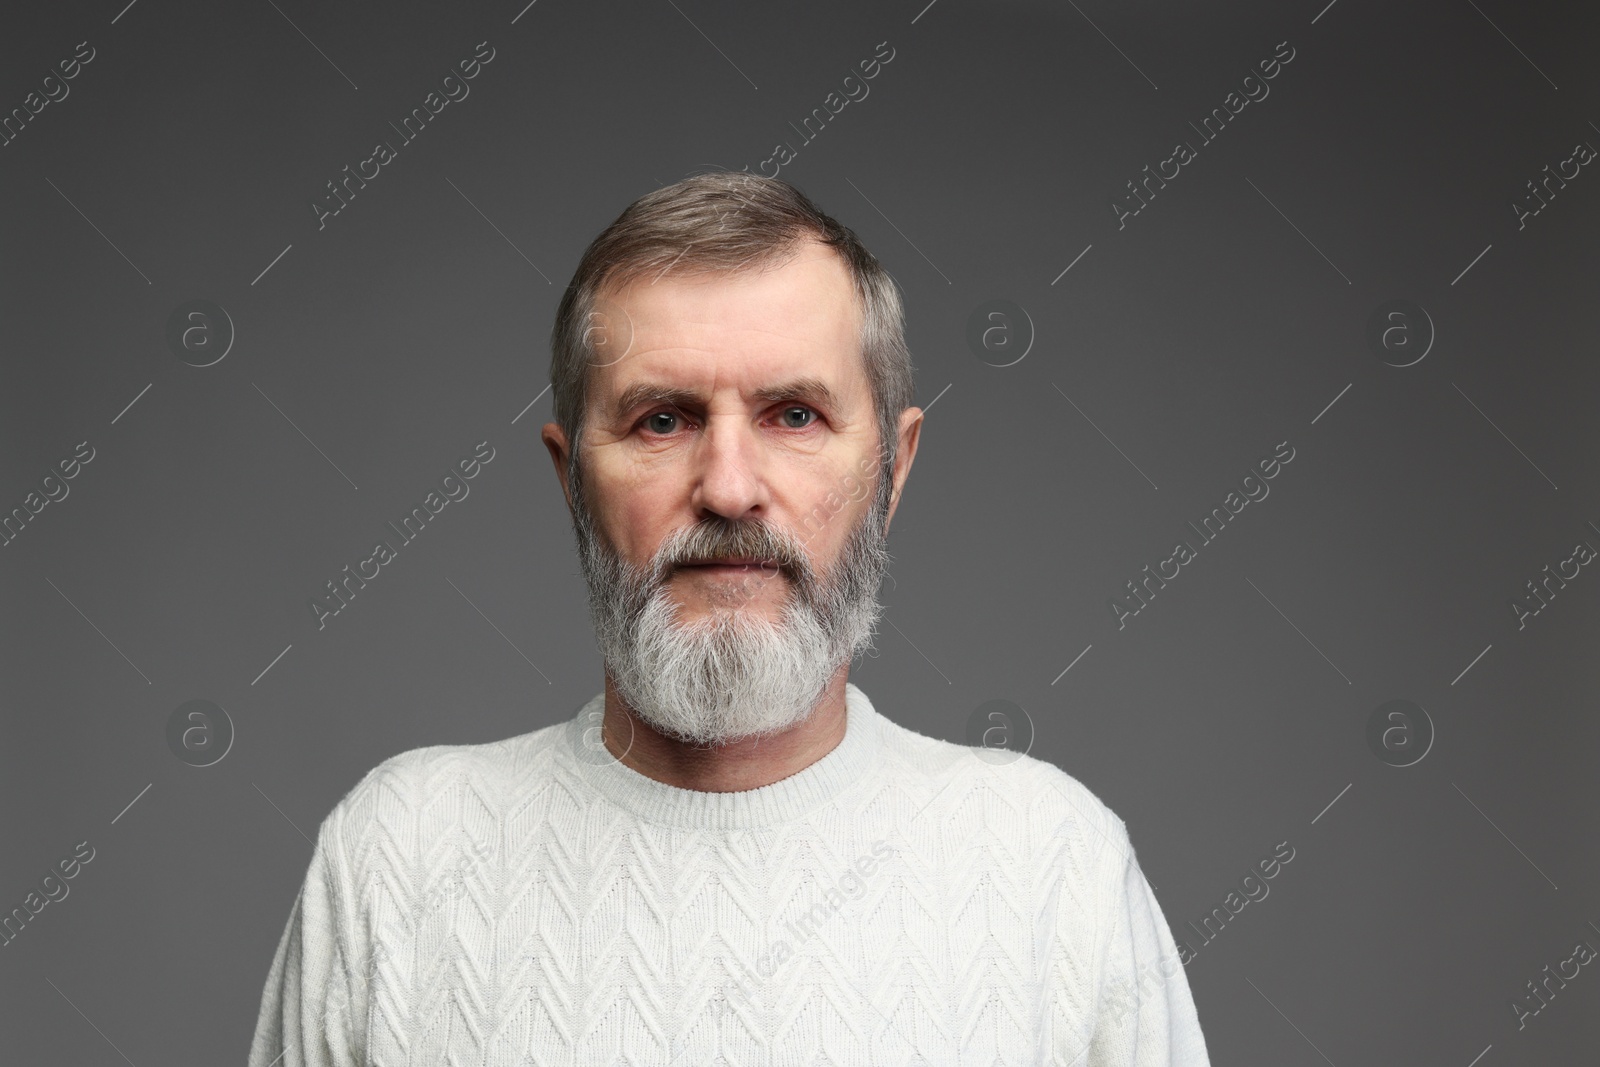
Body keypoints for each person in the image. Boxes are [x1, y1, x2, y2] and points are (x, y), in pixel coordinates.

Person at [246, 172, 1210, 1065]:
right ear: (571, 477)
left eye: (794, 414)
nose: (729, 488)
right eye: (662, 419)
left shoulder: (1053, 866)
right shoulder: (397, 857)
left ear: (893, 470)